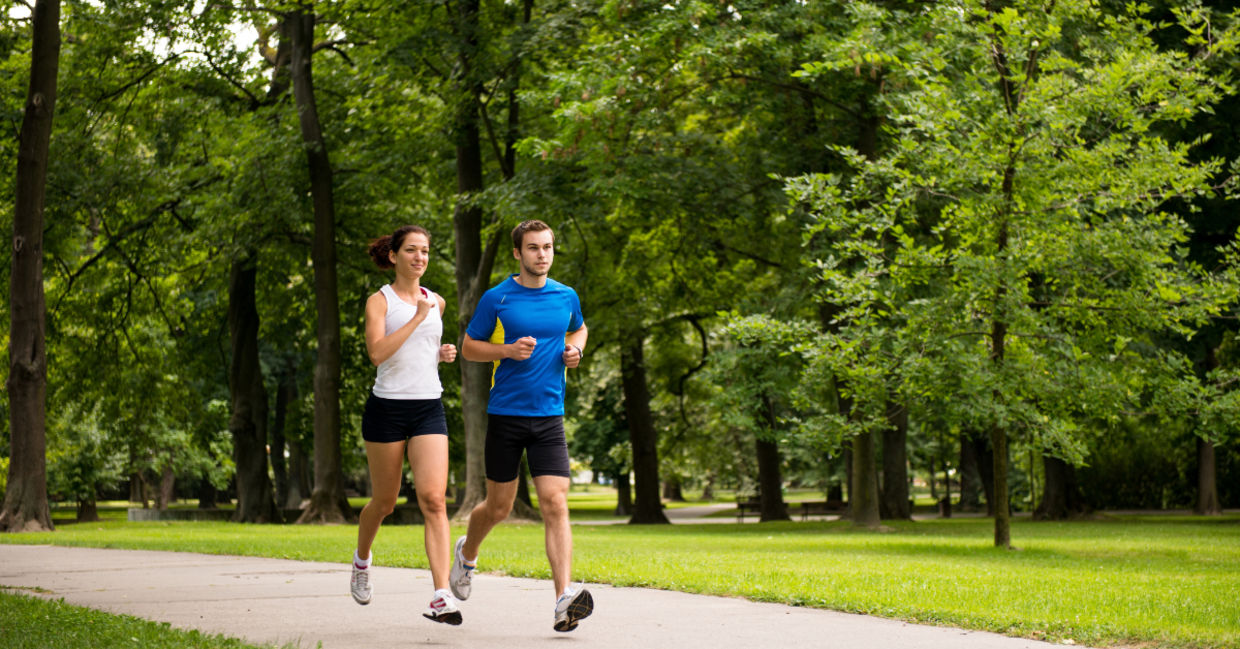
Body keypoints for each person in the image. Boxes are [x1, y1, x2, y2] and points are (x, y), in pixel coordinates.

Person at [449, 219, 593, 632]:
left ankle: (563, 600)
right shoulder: (497, 298)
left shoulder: (566, 295)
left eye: (547, 247)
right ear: (518, 253)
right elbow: (469, 348)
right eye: (533, 247)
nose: (542, 254)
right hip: (506, 415)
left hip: (550, 416)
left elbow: (579, 328)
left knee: (555, 503)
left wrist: (575, 351)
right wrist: (507, 350)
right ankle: (467, 554)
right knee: (499, 507)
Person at [350, 224, 461, 625]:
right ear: (394, 256)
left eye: (425, 251)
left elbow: (421, 352)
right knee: (385, 502)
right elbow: (377, 353)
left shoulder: (437, 301)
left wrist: (441, 353)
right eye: (412, 250)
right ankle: (362, 560)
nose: (420, 257)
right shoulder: (379, 302)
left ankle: (442, 594)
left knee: (434, 499)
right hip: (387, 409)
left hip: (428, 406)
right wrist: (416, 319)